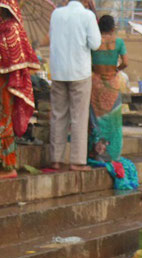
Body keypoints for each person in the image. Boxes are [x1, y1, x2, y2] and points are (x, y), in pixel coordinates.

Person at [49, 0, 101, 171]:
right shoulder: (88, 16)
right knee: (79, 117)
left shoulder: (56, 13)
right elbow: (95, 44)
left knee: (58, 115)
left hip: (58, 70)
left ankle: (56, 159)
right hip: (80, 71)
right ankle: (77, 161)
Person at [0, 0, 39, 179]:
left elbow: (12, 60)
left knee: (3, 123)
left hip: (6, 85)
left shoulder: (11, 28)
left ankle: (8, 168)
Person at [89, 15, 128, 162]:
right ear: (112, 28)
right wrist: (117, 69)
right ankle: (113, 154)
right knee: (113, 121)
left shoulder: (94, 42)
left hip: (96, 83)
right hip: (112, 83)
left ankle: (97, 153)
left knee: (96, 120)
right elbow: (125, 62)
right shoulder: (119, 42)